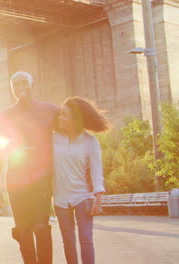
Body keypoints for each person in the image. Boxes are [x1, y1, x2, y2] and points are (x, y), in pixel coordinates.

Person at [0, 71, 58, 264]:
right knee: (23, 228)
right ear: (12, 90)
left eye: (23, 84)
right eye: (15, 85)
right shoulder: (5, 115)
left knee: (41, 226)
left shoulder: (50, 110)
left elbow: (68, 134)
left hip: (42, 178)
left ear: (32, 85)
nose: (20, 88)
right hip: (16, 179)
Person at [53, 97, 110, 264]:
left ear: (76, 119)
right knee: (68, 241)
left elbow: (97, 173)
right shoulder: (54, 139)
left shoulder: (90, 142)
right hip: (60, 198)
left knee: (86, 239)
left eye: (65, 115)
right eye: (60, 115)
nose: (60, 119)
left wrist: (98, 199)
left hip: (82, 196)